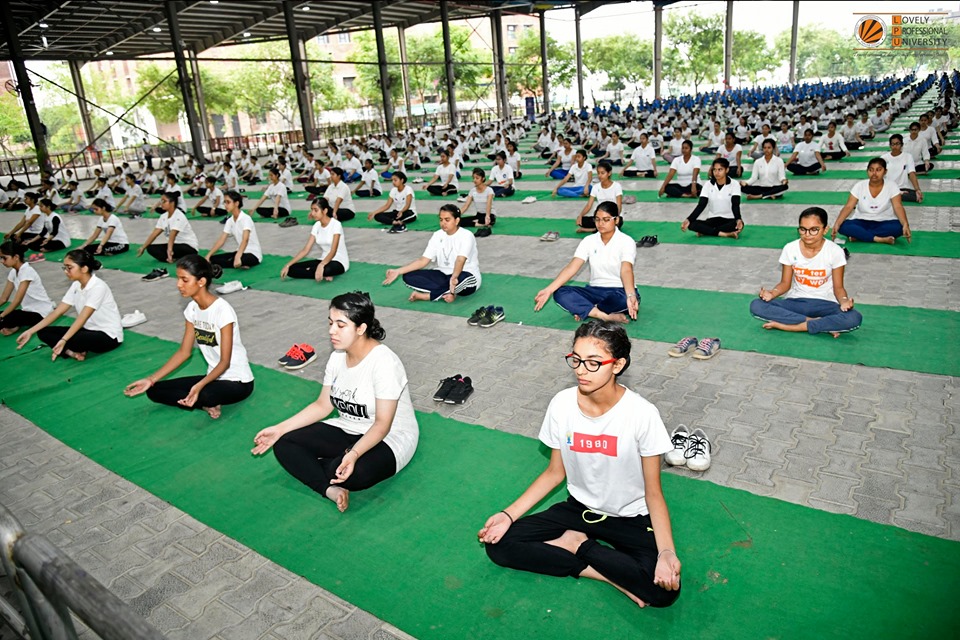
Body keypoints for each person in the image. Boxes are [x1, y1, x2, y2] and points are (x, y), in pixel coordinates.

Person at [479, 320, 681, 609]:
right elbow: (554, 473)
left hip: (629, 518)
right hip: (577, 510)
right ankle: (600, 569)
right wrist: (507, 515)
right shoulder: (562, 404)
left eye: (593, 362)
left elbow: (653, 493)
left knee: (664, 593)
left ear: (618, 364)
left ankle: (576, 544)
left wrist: (666, 553)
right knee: (498, 546)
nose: (581, 370)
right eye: (576, 359)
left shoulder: (642, 414)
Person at [251, 292, 419, 513]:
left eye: (341, 325)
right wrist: (279, 429)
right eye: (330, 323)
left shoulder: (385, 363)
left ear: (361, 328)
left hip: (391, 435)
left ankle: (330, 465)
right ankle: (329, 489)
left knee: (353, 473)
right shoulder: (338, 356)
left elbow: (382, 424)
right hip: (349, 426)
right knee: (284, 443)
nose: (332, 331)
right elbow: (322, 405)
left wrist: (353, 454)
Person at [124, 255, 254, 419]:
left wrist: (199, 386)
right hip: (212, 378)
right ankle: (204, 403)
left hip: (238, 381)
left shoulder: (223, 311)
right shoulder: (192, 309)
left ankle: (205, 400)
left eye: (184, 280)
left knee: (205, 394)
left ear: (201, 282)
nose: (179, 285)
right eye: (178, 279)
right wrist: (150, 379)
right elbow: (184, 352)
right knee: (154, 391)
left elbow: (224, 362)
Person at [750, 207, 862, 337]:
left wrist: (844, 301)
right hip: (796, 301)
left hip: (826, 303)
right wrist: (771, 293)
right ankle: (818, 324)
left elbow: (838, 287)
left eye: (814, 230)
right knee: (756, 305)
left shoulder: (835, 251)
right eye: (803, 229)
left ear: (825, 229)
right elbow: (785, 284)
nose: (807, 234)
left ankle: (790, 326)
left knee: (854, 318)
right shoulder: (790, 248)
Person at [534, 201, 639, 323]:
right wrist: (548, 290)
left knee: (621, 300)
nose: (601, 223)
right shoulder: (588, 241)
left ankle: (587, 310)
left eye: (606, 219)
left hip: (620, 290)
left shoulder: (626, 241)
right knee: (560, 293)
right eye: (597, 219)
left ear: (616, 220)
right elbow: (572, 267)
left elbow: (626, 269)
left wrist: (631, 295)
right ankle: (604, 316)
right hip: (594, 291)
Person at [16, 249, 123, 361]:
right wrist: (30, 331)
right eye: (65, 267)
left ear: (84, 268)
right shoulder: (76, 285)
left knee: (72, 338)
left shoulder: (98, 287)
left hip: (109, 336)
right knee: (43, 332)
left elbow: (83, 317)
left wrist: (64, 340)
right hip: (89, 330)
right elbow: (58, 311)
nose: (66, 271)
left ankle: (74, 347)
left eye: (69, 267)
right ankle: (72, 352)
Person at [382, 204, 481, 303]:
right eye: (441, 220)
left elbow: (460, 260)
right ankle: (448, 292)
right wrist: (398, 271)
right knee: (408, 276)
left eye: (447, 220)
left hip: (465, 275)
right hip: (442, 274)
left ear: (457, 220)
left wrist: (454, 278)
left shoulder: (466, 235)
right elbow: (423, 260)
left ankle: (428, 296)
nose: (443, 223)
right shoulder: (437, 235)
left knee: (462, 279)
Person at [832, 157, 911, 245]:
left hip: (884, 221)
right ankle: (879, 239)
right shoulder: (859, 186)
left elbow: (898, 206)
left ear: (885, 171)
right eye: (871, 170)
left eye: (878, 170)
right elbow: (848, 206)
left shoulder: (892, 186)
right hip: (861, 220)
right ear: (867, 171)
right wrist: (837, 224)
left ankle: (861, 235)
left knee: (899, 228)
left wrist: (905, 224)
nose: (874, 173)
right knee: (843, 226)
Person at [281, 197, 349, 282]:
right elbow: (306, 250)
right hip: (323, 259)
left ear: (325, 211)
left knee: (326, 270)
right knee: (291, 270)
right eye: (312, 210)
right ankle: (320, 273)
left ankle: (321, 272)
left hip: (338, 261)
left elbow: (333, 251)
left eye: (316, 210)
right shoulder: (316, 226)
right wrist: (287, 265)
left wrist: (321, 265)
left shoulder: (336, 225)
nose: (312, 213)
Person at [0, 240, 54, 336]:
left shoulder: (27, 271)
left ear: (16, 257)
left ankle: (13, 324)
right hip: (27, 310)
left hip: (40, 313)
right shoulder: (13, 272)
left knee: (7, 317)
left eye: (4, 258)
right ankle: (13, 324)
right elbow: (4, 298)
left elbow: (17, 301)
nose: (2, 261)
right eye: (1, 258)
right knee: (7, 315)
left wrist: (2, 316)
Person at [681, 158, 743, 239]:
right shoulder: (707, 184)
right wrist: (688, 219)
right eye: (714, 170)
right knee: (692, 224)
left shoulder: (734, 184)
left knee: (737, 225)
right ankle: (725, 234)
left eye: (720, 170)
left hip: (729, 219)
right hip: (712, 219)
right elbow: (701, 205)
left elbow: (735, 204)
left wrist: (738, 220)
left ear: (727, 170)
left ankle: (707, 231)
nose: (716, 173)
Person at [136, 192, 199, 265]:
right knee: (150, 248)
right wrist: (143, 247)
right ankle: (178, 258)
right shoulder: (163, 217)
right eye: (161, 201)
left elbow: (172, 235)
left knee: (177, 248)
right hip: (175, 245)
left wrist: (169, 252)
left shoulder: (179, 216)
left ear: (172, 203)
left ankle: (177, 257)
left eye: (164, 201)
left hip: (188, 246)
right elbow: (154, 234)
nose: (161, 204)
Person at [206, 191, 263, 270]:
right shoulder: (230, 221)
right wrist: (208, 255)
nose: (225, 205)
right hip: (240, 251)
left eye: (228, 202)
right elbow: (221, 240)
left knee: (234, 260)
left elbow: (245, 240)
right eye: (225, 202)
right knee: (212, 259)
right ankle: (239, 263)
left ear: (236, 203)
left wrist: (237, 256)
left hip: (253, 254)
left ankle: (240, 262)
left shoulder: (246, 219)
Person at [577, 161, 623, 233]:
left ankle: (593, 229)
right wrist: (580, 215)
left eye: (602, 173)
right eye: (598, 173)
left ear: (609, 173)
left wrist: (615, 218)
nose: (600, 175)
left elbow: (619, 206)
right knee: (581, 221)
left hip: (613, 217)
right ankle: (599, 229)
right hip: (600, 217)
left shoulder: (616, 186)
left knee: (615, 224)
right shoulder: (595, 187)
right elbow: (589, 205)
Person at [881, 134, 923, 204]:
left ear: (902, 145)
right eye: (892, 144)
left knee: (916, 196)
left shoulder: (908, 157)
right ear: (890, 145)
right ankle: (896, 194)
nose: (895, 146)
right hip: (889, 188)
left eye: (897, 144)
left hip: (903, 188)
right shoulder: (883, 158)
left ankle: (896, 195)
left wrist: (917, 189)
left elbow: (912, 173)